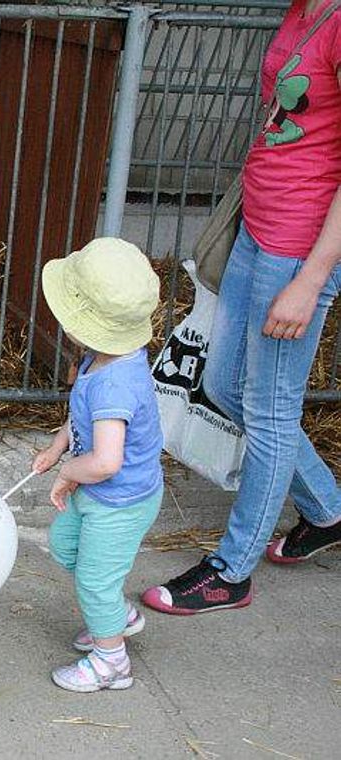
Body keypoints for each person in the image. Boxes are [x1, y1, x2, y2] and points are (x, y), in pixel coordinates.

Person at [142, 0, 341, 616]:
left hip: (298, 248)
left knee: (271, 410)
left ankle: (231, 572)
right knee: (226, 385)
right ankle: (329, 511)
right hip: (259, 228)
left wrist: (310, 281)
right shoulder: (304, 9)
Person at [32, 237, 164, 693]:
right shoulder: (99, 360)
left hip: (120, 502)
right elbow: (80, 418)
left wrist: (68, 472)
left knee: (94, 579)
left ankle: (111, 663)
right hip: (100, 491)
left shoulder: (115, 386)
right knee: (65, 545)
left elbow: (107, 461)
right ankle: (117, 616)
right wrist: (58, 447)